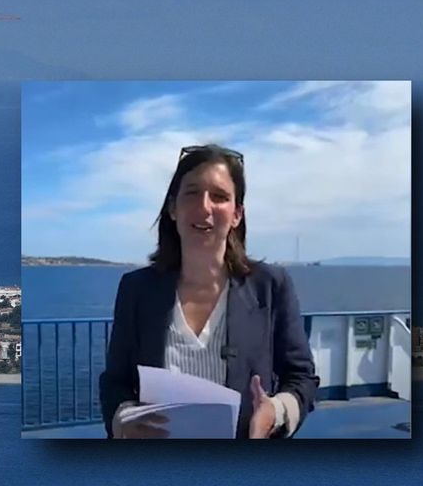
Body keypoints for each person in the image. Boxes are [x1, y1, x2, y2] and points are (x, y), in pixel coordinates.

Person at [99, 144, 318, 439]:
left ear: (237, 214)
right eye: (192, 193)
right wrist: (122, 419)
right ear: (173, 209)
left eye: (219, 197)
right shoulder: (136, 289)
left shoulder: (271, 287)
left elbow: (301, 378)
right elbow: (115, 382)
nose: (204, 207)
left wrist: (276, 411)